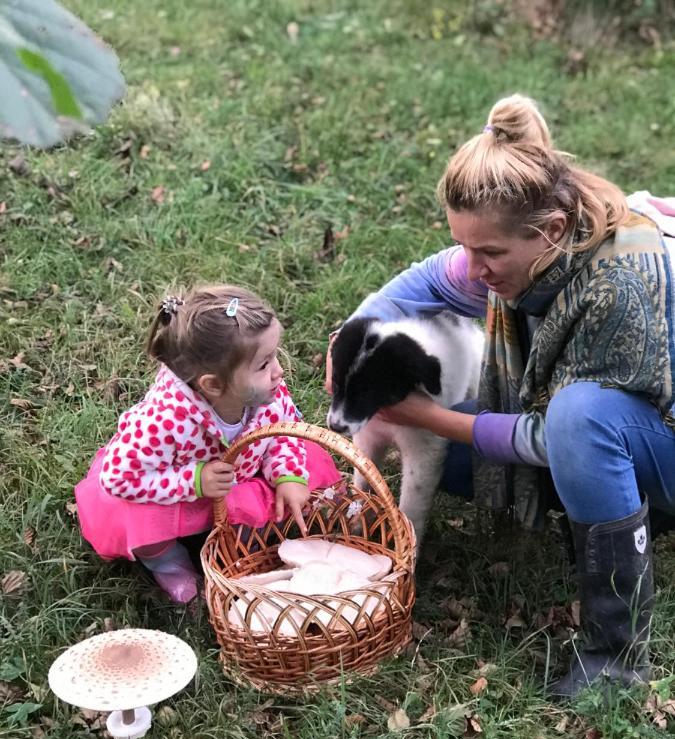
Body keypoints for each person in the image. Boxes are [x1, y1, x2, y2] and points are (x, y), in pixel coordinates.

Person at [327, 94, 675, 698]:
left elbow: (555, 434)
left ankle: (617, 659)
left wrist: (433, 417)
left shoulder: (618, 284)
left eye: (488, 254)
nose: (473, 268)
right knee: (450, 431)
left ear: (554, 232)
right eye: (464, 245)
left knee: (577, 416)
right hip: (609, 427)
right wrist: (352, 337)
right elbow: (417, 284)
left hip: (660, 435)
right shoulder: (515, 241)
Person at [76, 284, 340, 605]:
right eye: (264, 364)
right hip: (175, 489)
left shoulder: (267, 392)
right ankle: (171, 566)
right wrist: (193, 480)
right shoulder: (164, 421)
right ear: (213, 385)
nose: (279, 372)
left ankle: (241, 547)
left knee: (307, 466)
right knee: (134, 517)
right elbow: (120, 478)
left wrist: (288, 474)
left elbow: (283, 432)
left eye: (274, 357)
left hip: (238, 481)